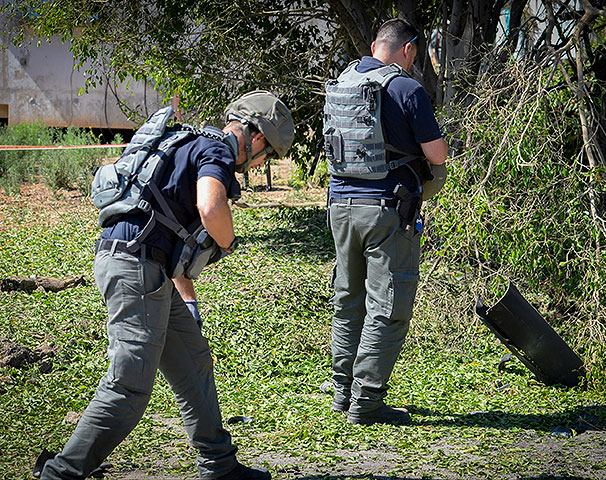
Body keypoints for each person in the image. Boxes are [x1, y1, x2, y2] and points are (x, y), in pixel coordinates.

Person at [39, 91, 295, 479]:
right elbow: (211, 207)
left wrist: (187, 297)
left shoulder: (188, 143)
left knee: (193, 362)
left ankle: (219, 465)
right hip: (134, 268)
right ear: (257, 138)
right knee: (129, 385)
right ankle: (61, 474)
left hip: (144, 265)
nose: (259, 164)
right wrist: (228, 243)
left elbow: (163, 225)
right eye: (266, 156)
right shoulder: (218, 153)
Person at [325, 19, 448, 425]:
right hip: (386, 210)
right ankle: (368, 400)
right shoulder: (406, 88)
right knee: (389, 306)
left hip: (340, 207)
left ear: (376, 44)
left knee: (348, 298)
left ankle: (343, 391)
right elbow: (437, 155)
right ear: (409, 49)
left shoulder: (343, 81)